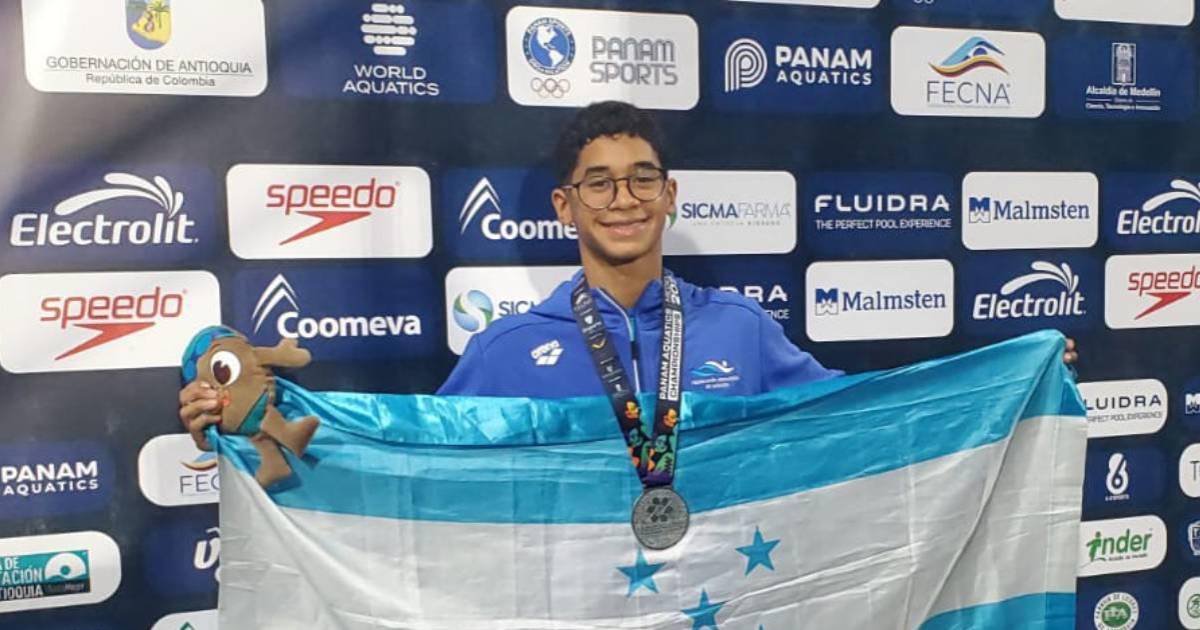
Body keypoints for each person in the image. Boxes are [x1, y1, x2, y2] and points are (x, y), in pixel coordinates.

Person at [178, 101, 1078, 447]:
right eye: (599, 183)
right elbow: (404, 455)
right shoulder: (506, 350)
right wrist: (246, 423)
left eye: (643, 178)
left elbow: (858, 419)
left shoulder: (739, 329)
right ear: (565, 207)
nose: (623, 199)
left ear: (669, 196)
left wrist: (1007, 385)